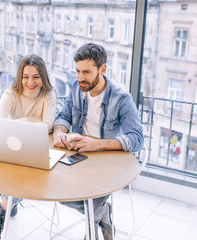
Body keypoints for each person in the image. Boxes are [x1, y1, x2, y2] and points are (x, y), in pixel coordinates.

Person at [52, 43, 144, 240]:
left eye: (86, 72)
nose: (80, 78)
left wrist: (98, 144)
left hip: (108, 163)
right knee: (58, 192)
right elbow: (64, 116)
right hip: (78, 156)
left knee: (92, 204)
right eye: (77, 71)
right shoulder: (77, 88)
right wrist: (59, 132)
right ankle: (104, 214)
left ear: (103, 69)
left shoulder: (121, 98)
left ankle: (92, 228)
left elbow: (137, 139)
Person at [0, 54, 56, 240]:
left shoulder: (48, 94)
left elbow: (48, 124)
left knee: (21, 175)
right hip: (13, 148)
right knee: (8, 170)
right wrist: (30, 120)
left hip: (36, 148)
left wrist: (20, 124)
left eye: (36, 76)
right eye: (26, 76)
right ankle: (10, 204)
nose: (30, 82)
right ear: (19, 77)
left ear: (43, 77)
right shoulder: (10, 94)